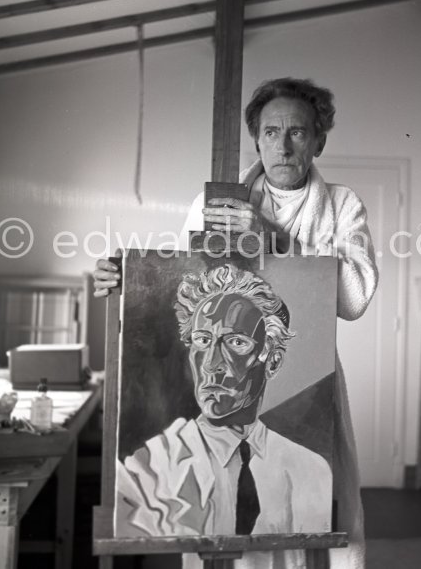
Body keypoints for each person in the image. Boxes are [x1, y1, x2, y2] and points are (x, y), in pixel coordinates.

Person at [94, 77, 379, 569]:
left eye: (297, 132)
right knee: (218, 523)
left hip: (306, 379)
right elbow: (179, 283)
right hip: (223, 382)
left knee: (318, 511)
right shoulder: (214, 206)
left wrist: (272, 237)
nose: (283, 145)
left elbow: (353, 299)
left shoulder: (341, 204)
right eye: (271, 132)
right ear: (257, 139)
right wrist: (126, 279)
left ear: (318, 140)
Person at [116, 264, 333, 545]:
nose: (211, 364)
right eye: (202, 340)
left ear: (273, 360)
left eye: (235, 342)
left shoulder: (309, 469)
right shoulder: (152, 467)